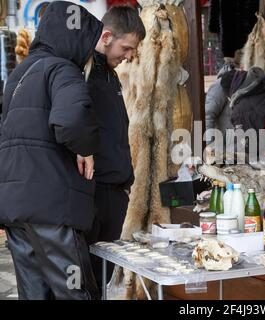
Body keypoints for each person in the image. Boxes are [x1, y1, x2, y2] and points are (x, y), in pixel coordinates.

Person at [0, 1, 102, 300]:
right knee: (74, 291)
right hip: (51, 206)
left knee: (34, 294)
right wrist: (86, 148)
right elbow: (70, 121)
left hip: (16, 208)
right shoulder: (62, 69)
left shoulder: (20, 75)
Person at [84, 6, 145, 291]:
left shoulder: (110, 74)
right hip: (93, 193)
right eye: (127, 47)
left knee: (103, 279)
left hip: (114, 193)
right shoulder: (81, 71)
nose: (130, 56)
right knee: (87, 280)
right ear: (107, 36)